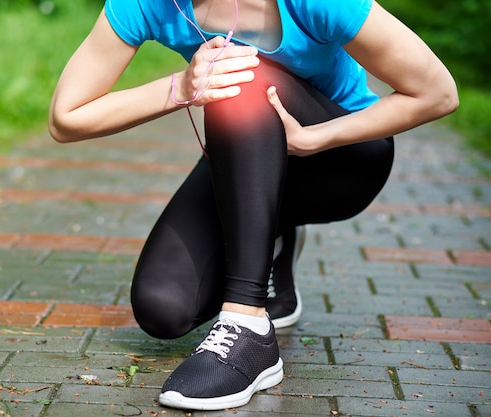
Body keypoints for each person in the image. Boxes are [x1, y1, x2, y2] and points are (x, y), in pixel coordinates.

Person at [49, 0, 458, 411]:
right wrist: (181, 88)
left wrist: (313, 140)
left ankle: (247, 326)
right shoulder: (147, 4)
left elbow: (437, 93)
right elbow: (65, 117)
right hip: (248, 159)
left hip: (343, 156)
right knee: (164, 307)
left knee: (235, 71)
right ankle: (272, 242)